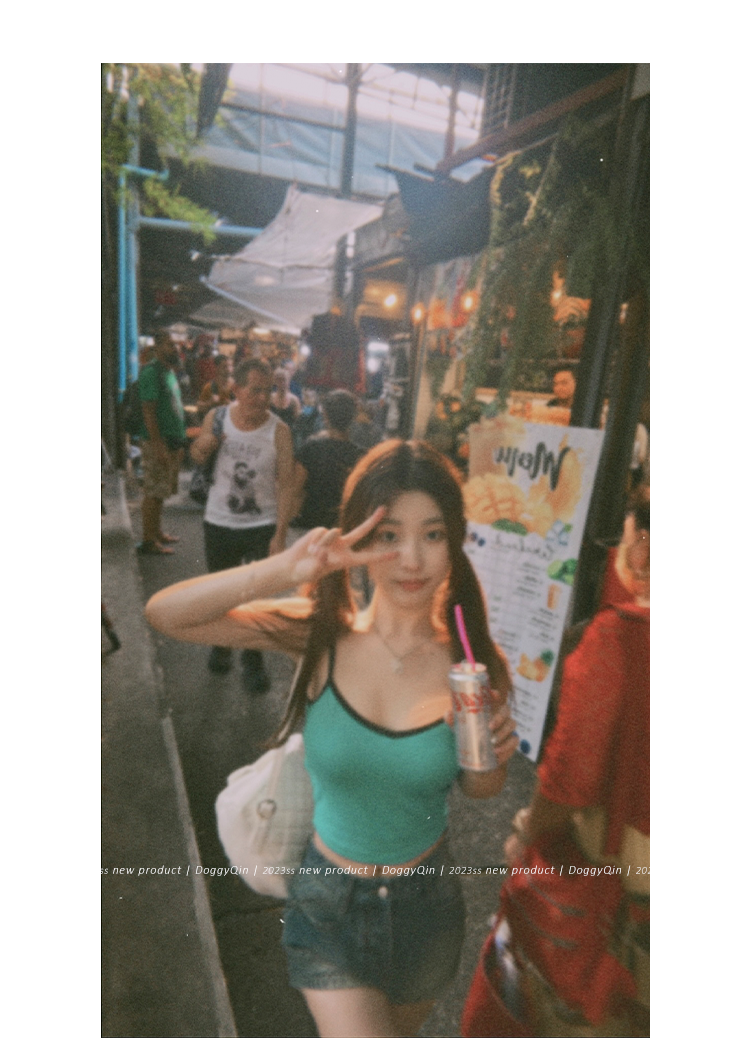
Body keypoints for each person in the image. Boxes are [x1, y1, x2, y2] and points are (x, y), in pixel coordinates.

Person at [145, 439, 519, 1037]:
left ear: (455, 540)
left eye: (432, 534)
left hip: (427, 907)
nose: (412, 559)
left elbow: (482, 790)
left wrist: (492, 754)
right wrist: (286, 569)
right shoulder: (320, 634)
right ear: (359, 539)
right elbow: (166, 614)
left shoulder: (473, 662)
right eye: (389, 535)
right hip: (328, 905)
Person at [502, 486, 650, 1036]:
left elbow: (569, 780)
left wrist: (527, 832)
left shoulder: (619, 638)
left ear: (643, 547)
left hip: (629, 895)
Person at [190, 358, 295, 694]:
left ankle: (253, 659)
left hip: (261, 525)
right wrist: (204, 446)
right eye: (255, 390)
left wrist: (280, 535)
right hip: (219, 521)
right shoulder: (217, 417)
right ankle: (221, 645)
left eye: (268, 390)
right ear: (236, 389)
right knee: (221, 593)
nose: (263, 398)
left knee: (254, 596)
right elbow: (197, 455)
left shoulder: (279, 431)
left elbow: (287, 484)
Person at [136, 330, 187, 556]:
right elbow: (148, 411)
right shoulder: (151, 372)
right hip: (158, 442)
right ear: (157, 347)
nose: (174, 348)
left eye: (175, 344)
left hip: (171, 441)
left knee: (161, 490)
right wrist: (158, 446)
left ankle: (157, 532)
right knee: (154, 491)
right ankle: (148, 540)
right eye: (169, 344)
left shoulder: (168, 371)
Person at [293, 389, 364, 530]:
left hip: (309, 526)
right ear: (353, 417)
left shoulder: (311, 448)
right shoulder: (361, 456)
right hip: (343, 528)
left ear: (325, 415)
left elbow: (296, 490)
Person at [196, 354, 235, 420]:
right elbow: (199, 407)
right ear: (217, 368)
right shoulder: (210, 387)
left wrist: (233, 405)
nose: (228, 369)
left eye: (230, 366)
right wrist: (210, 403)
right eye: (224, 367)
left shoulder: (238, 386)